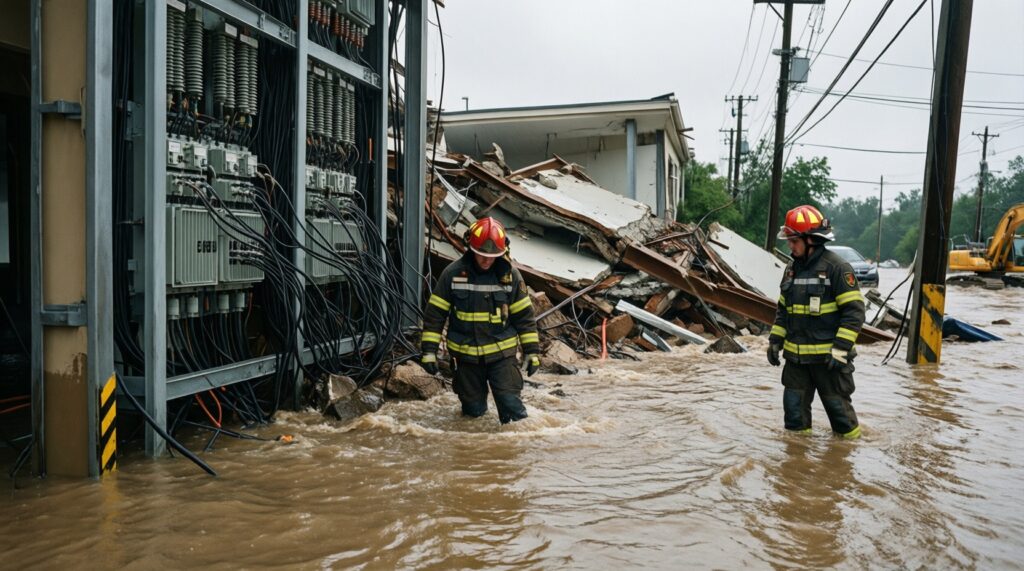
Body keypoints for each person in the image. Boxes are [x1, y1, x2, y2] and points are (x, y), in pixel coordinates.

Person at [419, 217, 541, 423]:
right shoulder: (453, 274)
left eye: (492, 256)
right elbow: (435, 316)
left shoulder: (511, 276)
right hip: (466, 359)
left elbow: (524, 318)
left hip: (502, 357)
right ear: (471, 249)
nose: (486, 260)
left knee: (512, 413)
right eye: (481, 255)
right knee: (472, 415)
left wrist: (532, 352)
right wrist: (429, 352)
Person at [767, 205, 866, 439]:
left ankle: (845, 462)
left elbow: (854, 312)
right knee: (794, 420)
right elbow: (784, 310)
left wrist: (841, 349)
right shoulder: (791, 269)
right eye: (789, 240)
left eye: (794, 240)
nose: (790, 245)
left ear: (811, 239)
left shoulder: (837, 269)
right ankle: (798, 464)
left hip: (829, 360)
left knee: (841, 419)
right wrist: (775, 340)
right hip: (796, 361)